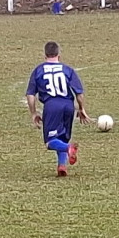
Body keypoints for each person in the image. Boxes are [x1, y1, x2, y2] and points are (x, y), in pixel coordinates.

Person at [25, 41, 90, 177]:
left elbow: (30, 95)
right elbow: (79, 93)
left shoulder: (39, 70)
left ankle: (68, 148)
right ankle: (62, 166)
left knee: (50, 142)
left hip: (52, 106)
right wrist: (81, 108)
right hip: (68, 106)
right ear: (58, 55)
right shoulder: (67, 70)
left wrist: (34, 113)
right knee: (61, 137)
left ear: (45, 55)